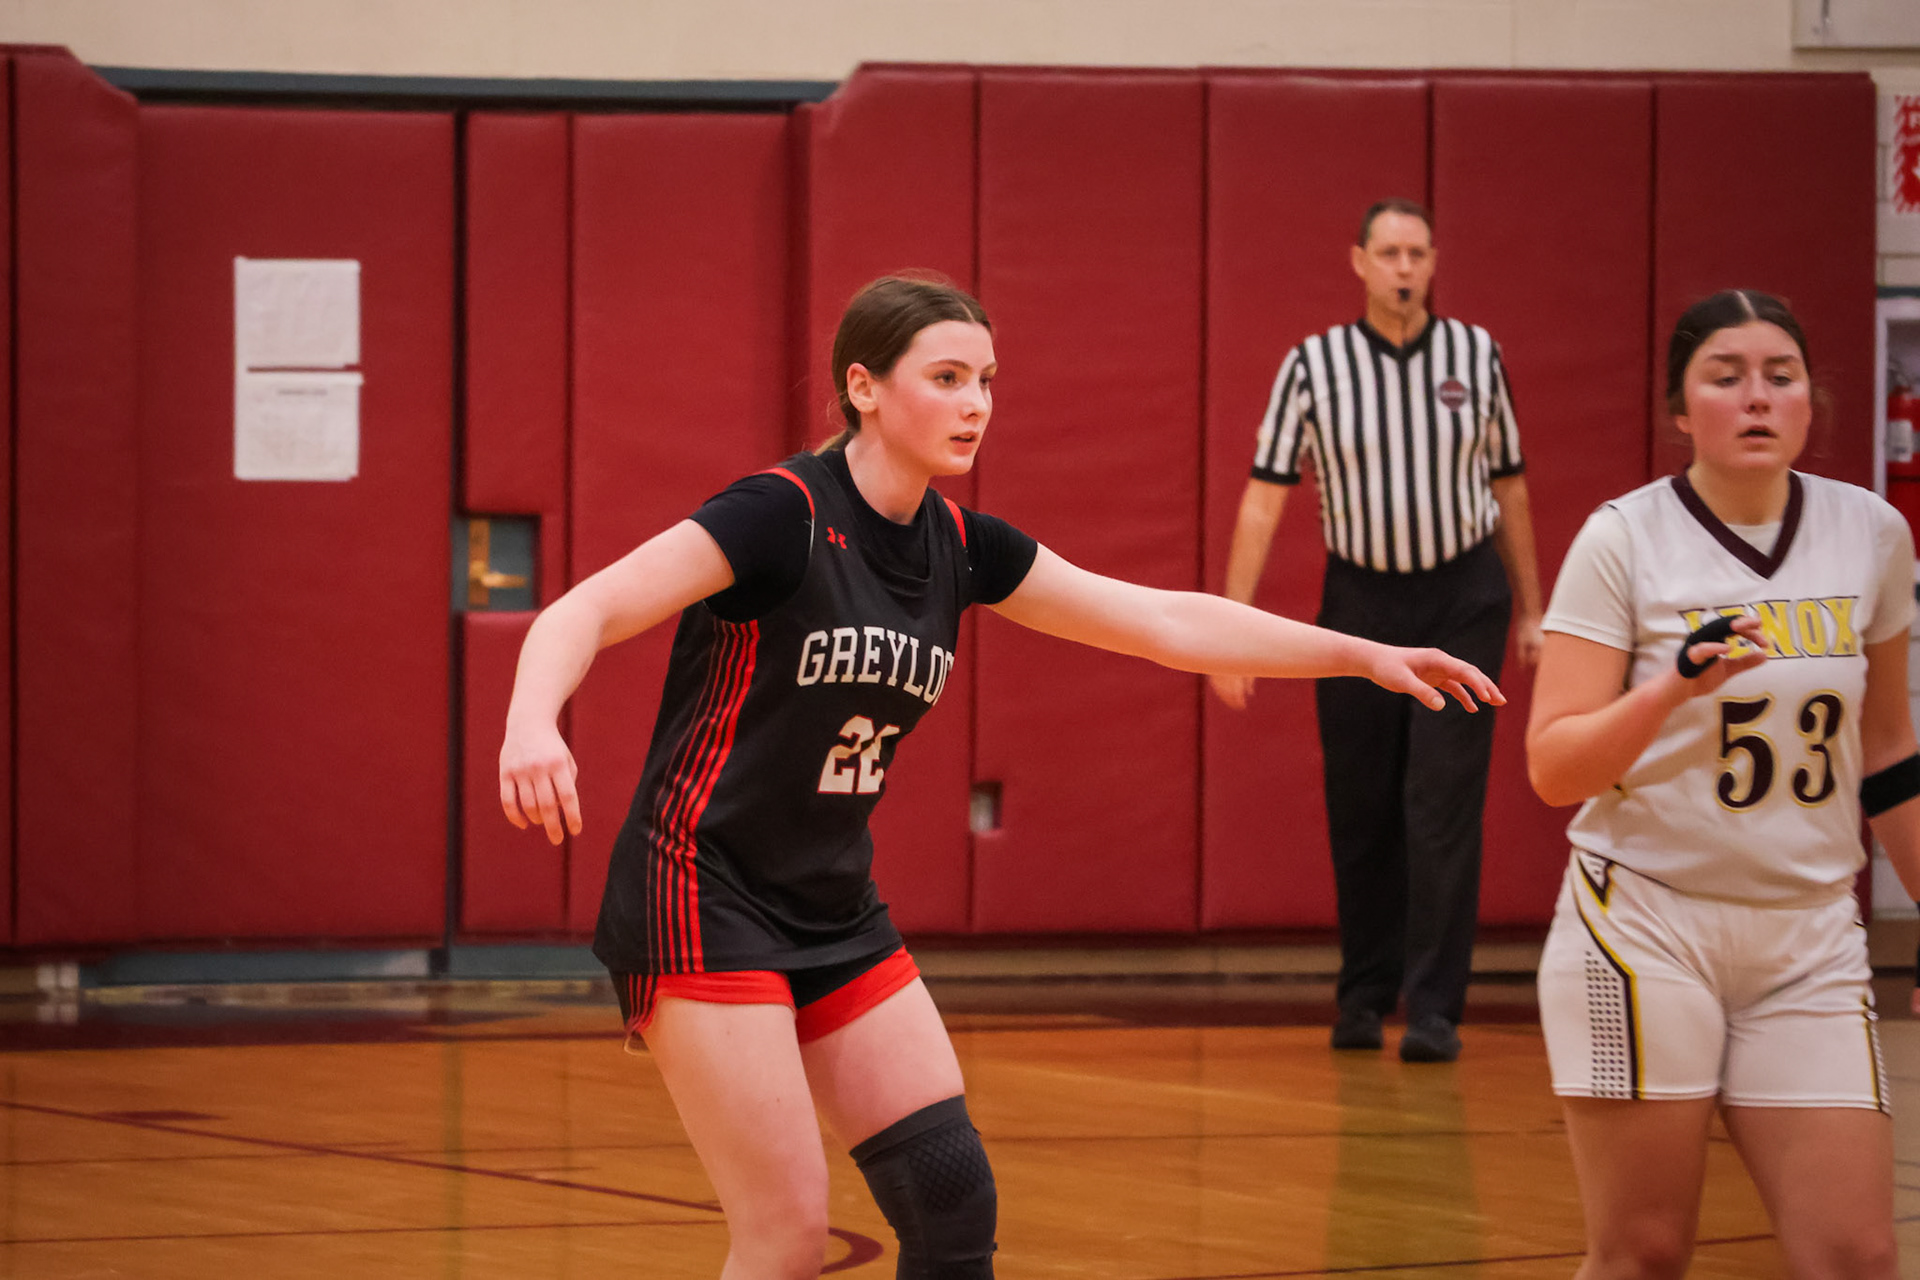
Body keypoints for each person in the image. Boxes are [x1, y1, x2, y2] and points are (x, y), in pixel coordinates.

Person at [497, 274, 1505, 1280]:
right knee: (787, 1235)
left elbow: (1162, 620)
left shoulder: (961, 545)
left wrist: (1364, 655)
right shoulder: (781, 514)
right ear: (864, 387)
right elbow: (585, 609)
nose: (975, 402)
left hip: (829, 900)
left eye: (986, 380)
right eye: (946, 377)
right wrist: (533, 721)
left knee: (950, 1198)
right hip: (700, 890)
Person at [1527, 288, 1918, 1280]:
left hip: (1810, 934)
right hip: (1645, 925)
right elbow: (1554, 765)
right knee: (1644, 1252)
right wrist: (1673, 687)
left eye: (1781, 376)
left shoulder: (1871, 533)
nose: (1757, 396)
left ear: (1810, 401)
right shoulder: (1622, 538)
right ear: (1680, 408)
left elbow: (1888, 750)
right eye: (1726, 376)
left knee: (1858, 1254)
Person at [1211, 198, 1546, 1062]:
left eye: (1417, 253)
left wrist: (1533, 608)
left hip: (1464, 597)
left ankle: (1434, 1010)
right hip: (1361, 603)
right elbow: (1263, 498)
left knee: (1441, 806)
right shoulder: (1312, 365)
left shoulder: (1477, 356)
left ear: (1433, 262)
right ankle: (1363, 995)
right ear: (1358, 262)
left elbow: (1510, 486)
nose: (1404, 267)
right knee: (1361, 804)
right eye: (1389, 253)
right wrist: (1233, 628)